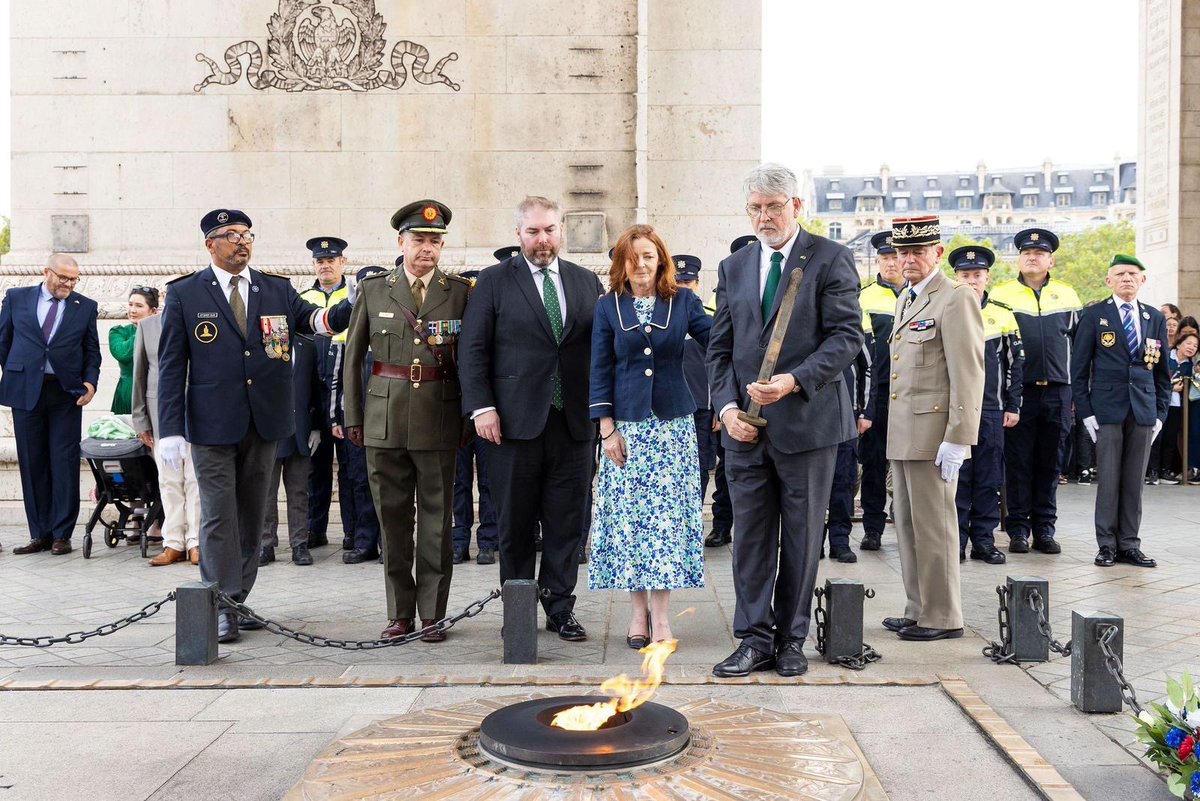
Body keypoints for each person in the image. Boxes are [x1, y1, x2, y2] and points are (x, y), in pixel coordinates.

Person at [157, 209, 351, 643]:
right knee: (218, 515)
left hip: (264, 423)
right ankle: (221, 601)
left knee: (251, 516)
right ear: (210, 244)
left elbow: (316, 323)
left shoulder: (275, 289)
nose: (242, 242)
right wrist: (169, 428)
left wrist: (351, 306)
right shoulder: (186, 294)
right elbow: (171, 366)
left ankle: (238, 598)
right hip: (211, 425)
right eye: (230, 235)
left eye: (247, 235)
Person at [707, 163, 862, 678]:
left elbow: (845, 338)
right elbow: (720, 349)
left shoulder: (831, 258)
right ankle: (753, 637)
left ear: (797, 207)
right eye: (756, 207)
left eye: (775, 206)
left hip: (808, 424)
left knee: (800, 535)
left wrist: (793, 381)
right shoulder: (734, 267)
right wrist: (728, 410)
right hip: (744, 432)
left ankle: (790, 639)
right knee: (750, 536)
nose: (765, 216)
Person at [342, 200, 471, 643]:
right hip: (384, 420)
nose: (427, 250)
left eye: (435, 242)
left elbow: (471, 359)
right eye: (419, 240)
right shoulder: (376, 289)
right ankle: (399, 613)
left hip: (438, 418)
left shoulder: (459, 292)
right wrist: (353, 415)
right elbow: (352, 356)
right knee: (393, 523)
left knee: (437, 524)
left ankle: (433, 614)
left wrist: (468, 415)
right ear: (401, 242)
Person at [589, 225, 712, 647]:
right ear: (620, 262)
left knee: (664, 524)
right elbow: (599, 370)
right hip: (626, 430)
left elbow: (719, 340)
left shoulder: (683, 302)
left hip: (672, 429)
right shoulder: (609, 308)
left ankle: (661, 619)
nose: (640, 264)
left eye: (648, 255)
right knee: (629, 524)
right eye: (632, 256)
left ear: (662, 260)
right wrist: (606, 429)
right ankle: (636, 614)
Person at [883, 216, 984, 641]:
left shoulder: (956, 297)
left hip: (935, 434)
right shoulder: (907, 299)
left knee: (935, 526)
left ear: (937, 254)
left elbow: (969, 371)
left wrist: (959, 437)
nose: (909, 259)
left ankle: (943, 615)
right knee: (907, 524)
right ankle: (918, 605)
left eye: (918, 251)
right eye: (902, 252)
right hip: (904, 432)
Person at [1071, 254, 1170, 569]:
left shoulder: (1154, 317)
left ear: (1142, 280)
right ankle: (1107, 545)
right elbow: (1080, 370)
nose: (1127, 278)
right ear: (1108, 281)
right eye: (1120, 274)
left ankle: (1129, 544)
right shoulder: (1094, 315)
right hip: (1106, 410)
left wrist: (1160, 414)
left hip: (1143, 409)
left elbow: (1163, 372)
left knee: (1134, 482)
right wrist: (1086, 412)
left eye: (1133, 274)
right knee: (1110, 479)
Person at [0, 254, 101, 556]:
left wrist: (90, 382)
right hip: (26, 391)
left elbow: (91, 351)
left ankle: (61, 534)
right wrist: (18, 370)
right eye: (63, 278)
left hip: (65, 393)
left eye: (74, 279)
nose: (69, 284)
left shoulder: (86, 307)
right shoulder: (17, 298)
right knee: (32, 462)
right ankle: (39, 533)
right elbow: (3, 340)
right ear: (46, 272)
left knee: (63, 461)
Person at [990, 228, 1081, 556]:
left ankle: (1044, 528)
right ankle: (1017, 529)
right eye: (1027, 252)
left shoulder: (1068, 295)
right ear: (1018, 258)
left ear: (1050, 260)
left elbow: (1079, 347)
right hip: (1020, 393)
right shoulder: (1001, 295)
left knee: (1051, 463)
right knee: (1018, 464)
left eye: (1039, 253)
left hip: (1058, 391)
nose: (1033, 256)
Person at [948, 245, 1022, 565]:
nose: (971, 280)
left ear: (987, 277)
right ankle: (957, 541)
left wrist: (1012, 404)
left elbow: (1014, 364)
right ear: (956, 278)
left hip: (991, 409)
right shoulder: (946, 309)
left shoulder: (1003, 314)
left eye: (977, 275)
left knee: (988, 478)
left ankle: (983, 540)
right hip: (957, 408)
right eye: (965, 275)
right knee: (959, 477)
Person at [131, 287, 203, 566]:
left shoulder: (200, 321)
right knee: (169, 482)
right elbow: (140, 376)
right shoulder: (147, 327)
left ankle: (196, 542)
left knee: (196, 481)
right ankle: (174, 542)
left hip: (196, 416)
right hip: (160, 417)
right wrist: (141, 420)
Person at [330, 264, 387, 565]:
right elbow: (340, 383)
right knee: (361, 484)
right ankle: (365, 541)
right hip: (359, 423)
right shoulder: (350, 334)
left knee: (390, 487)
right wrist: (341, 419)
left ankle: (389, 545)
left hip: (388, 422)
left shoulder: (391, 328)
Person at [703, 235, 756, 549]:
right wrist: (722, 407)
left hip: (764, 399)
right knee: (726, 472)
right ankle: (721, 526)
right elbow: (714, 358)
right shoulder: (720, 302)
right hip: (729, 404)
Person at [300, 237, 353, 550]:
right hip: (313, 395)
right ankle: (313, 530)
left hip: (345, 391)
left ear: (342, 263)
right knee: (313, 470)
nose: (325, 266)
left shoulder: (353, 294)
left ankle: (351, 532)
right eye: (320, 261)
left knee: (349, 470)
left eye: (331, 260)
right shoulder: (303, 297)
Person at [857, 231, 906, 551]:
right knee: (874, 464)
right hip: (880, 393)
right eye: (885, 257)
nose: (891, 263)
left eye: (895, 257)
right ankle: (873, 527)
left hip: (915, 394)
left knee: (910, 465)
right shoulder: (864, 297)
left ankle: (906, 525)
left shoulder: (922, 294)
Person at [260, 329, 323, 567]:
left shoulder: (307, 345)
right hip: (271, 430)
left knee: (299, 491)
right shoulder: (267, 343)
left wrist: (316, 427)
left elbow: (314, 388)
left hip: (300, 430)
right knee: (267, 492)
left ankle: (299, 543)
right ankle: (266, 544)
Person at [451, 267, 498, 566]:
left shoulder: (492, 324)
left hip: (486, 411)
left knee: (489, 481)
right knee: (458, 480)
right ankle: (459, 540)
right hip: (455, 413)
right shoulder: (450, 323)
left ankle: (488, 541)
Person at [672, 255, 720, 515]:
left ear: (697, 284)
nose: (683, 288)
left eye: (688, 282)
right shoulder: (664, 317)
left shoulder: (709, 320)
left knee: (700, 467)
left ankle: (692, 517)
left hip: (702, 407)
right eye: (678, 282)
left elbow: (717, 367)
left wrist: (719, 407)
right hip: (672, 408)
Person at [109, 287, 156, 415]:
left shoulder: (160, 334)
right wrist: (143, 329)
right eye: (130, 305)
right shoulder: (118, 331)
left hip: (154, 395)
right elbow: (122, 354)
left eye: (139, 306)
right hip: (127, 395)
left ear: (153, 311)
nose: (133, 310)